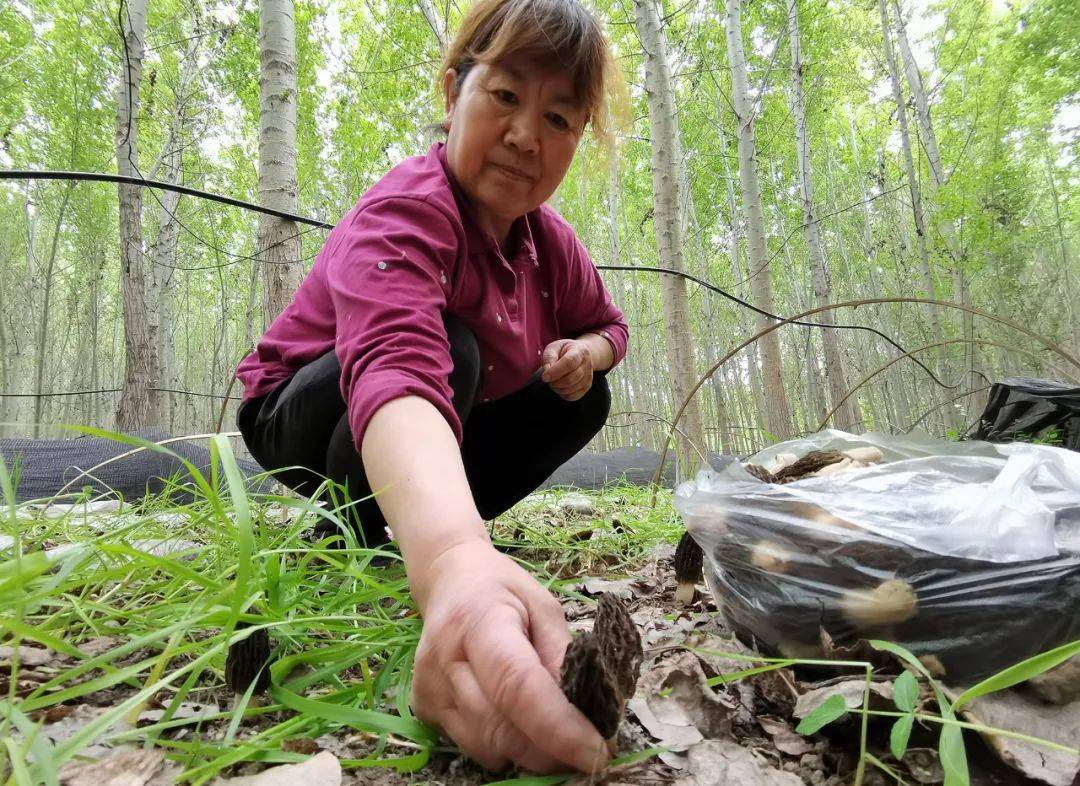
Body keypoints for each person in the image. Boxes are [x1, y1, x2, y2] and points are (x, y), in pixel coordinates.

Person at [235, 0, 627, 774]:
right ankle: (376, 532)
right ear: (454, 95)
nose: (525, 137)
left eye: (559, 118)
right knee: (453, 345)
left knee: (585, 397)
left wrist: (585, 352)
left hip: (439, 408)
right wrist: (451, 559)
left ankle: (438, 526)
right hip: (297, 410)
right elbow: (396, 362)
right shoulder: (407, 208)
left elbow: (609, 327)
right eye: (506, 97)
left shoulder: (553, 245)